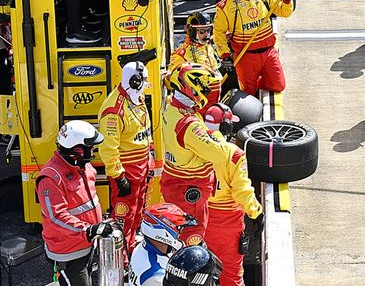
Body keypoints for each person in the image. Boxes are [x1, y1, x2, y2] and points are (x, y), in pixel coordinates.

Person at [160, 63, 230, 246]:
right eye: (204, 86)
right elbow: (220, 154)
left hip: (176, 184)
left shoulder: (172, 107)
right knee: (192, 237)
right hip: (191, 190)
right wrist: (218, 133)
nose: (207, 90)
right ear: (193, 87)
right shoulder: (189, 124)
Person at [36, 121, 112, 286]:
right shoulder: (50, 178)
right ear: (77, 150)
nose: (93, 151)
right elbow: (56, 216)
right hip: (68, 253)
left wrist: (100, 223)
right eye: (90, 148)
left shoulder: (83, 167)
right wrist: (88, 229)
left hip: (87, 244)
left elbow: (87, 202)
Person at [97, 61, 154, 252]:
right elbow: (108, 149)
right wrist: (119, 177)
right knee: (124, 216)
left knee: (138, 210)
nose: (147, 83)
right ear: (135, 80)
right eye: (144, 80)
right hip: (127, 170)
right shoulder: (113, 111)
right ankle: (121, 255)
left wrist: (150, 157)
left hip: (142, 165)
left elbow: (145, 128)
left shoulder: (137, 97)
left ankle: (132, 245)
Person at [205, 104, 264, 286]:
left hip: (200, 220)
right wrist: (256, 212)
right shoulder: (234, 154)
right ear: (226, 127)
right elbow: (242, 190)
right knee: (231, 275)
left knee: (201, 274)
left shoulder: (194, 147)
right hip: (228, 225)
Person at [213, 0, 294, 96]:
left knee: (279, 85)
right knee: (248, 93)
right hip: (245, 56)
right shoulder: (226, 6)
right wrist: (225, 55)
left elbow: (284, 12)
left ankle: (259, 81)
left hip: (269, 52)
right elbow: (218, 33)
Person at [130, 204, 198, 286]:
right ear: (164, 234)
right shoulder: (157, 277)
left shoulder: (142, 246)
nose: (180, 235)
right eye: (179, 230)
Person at [170, 12, 223, 105]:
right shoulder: (182, 53)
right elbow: (171, 80)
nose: (206, 35)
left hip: (215, 97)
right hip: (198, 101)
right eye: (202, 32)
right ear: (192, 31)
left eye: (208, 30)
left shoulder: (209, 47)